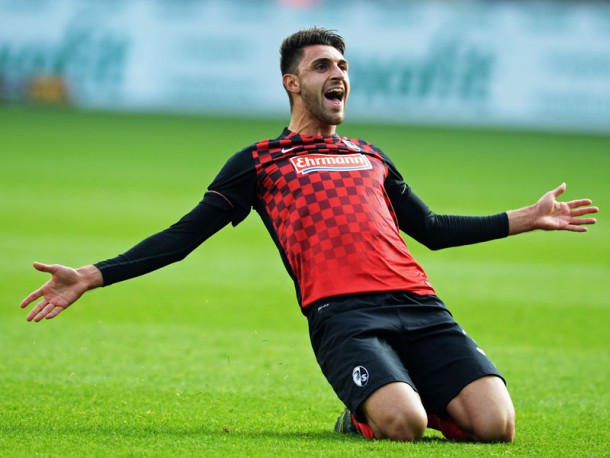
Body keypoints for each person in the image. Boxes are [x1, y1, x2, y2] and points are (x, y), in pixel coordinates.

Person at [20, 27, 598, 443]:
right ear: (292, 83)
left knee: (497, 427)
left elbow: (431, 230)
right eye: (323, 66)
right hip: (343, 315)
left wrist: (527, 217)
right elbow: (183, 236)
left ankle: (408, 389)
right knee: (403, 425)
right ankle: (365, 413)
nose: (338, 75)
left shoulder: (370, 156)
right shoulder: (258, 161)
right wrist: (93, 275)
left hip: (421, 305)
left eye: (343, 66)